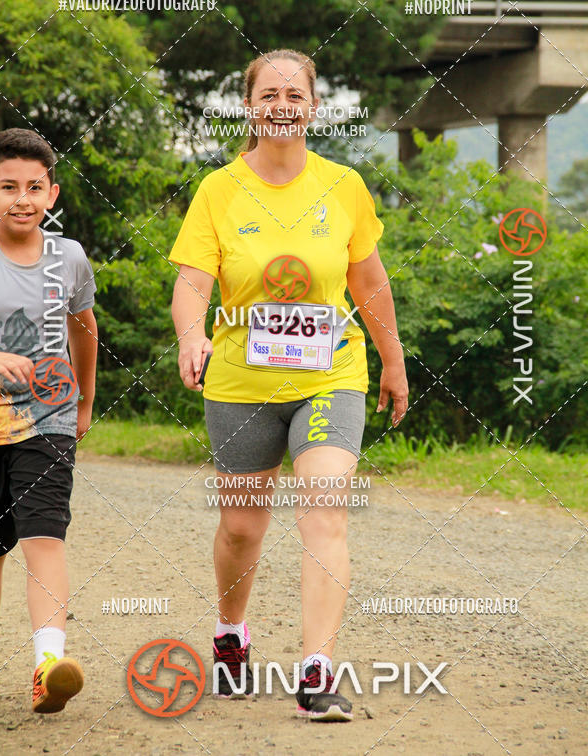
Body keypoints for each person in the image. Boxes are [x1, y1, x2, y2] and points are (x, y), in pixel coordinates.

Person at [170, 49, 408, 721]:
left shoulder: (345, 187)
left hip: (331, 378)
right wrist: (193, 336)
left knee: (325, 511)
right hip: (241, 384)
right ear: (251, 106)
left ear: (313, 107)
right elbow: (192, 282)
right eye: (268, 93)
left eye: (294, 95)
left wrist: (392, 361)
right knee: (242, 529)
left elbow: (369, 281)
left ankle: (317, 672)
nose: (281, 104)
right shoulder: (219, 189)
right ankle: (230, 634)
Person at [0, 128, 97, 713]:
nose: (22, 198)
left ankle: (49, 664)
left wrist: (83, 402)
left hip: (46, 419)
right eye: (9, 186)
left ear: (52, 193)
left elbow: (84, 328)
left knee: (43, 532)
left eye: (34, 187)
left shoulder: (69, 258)